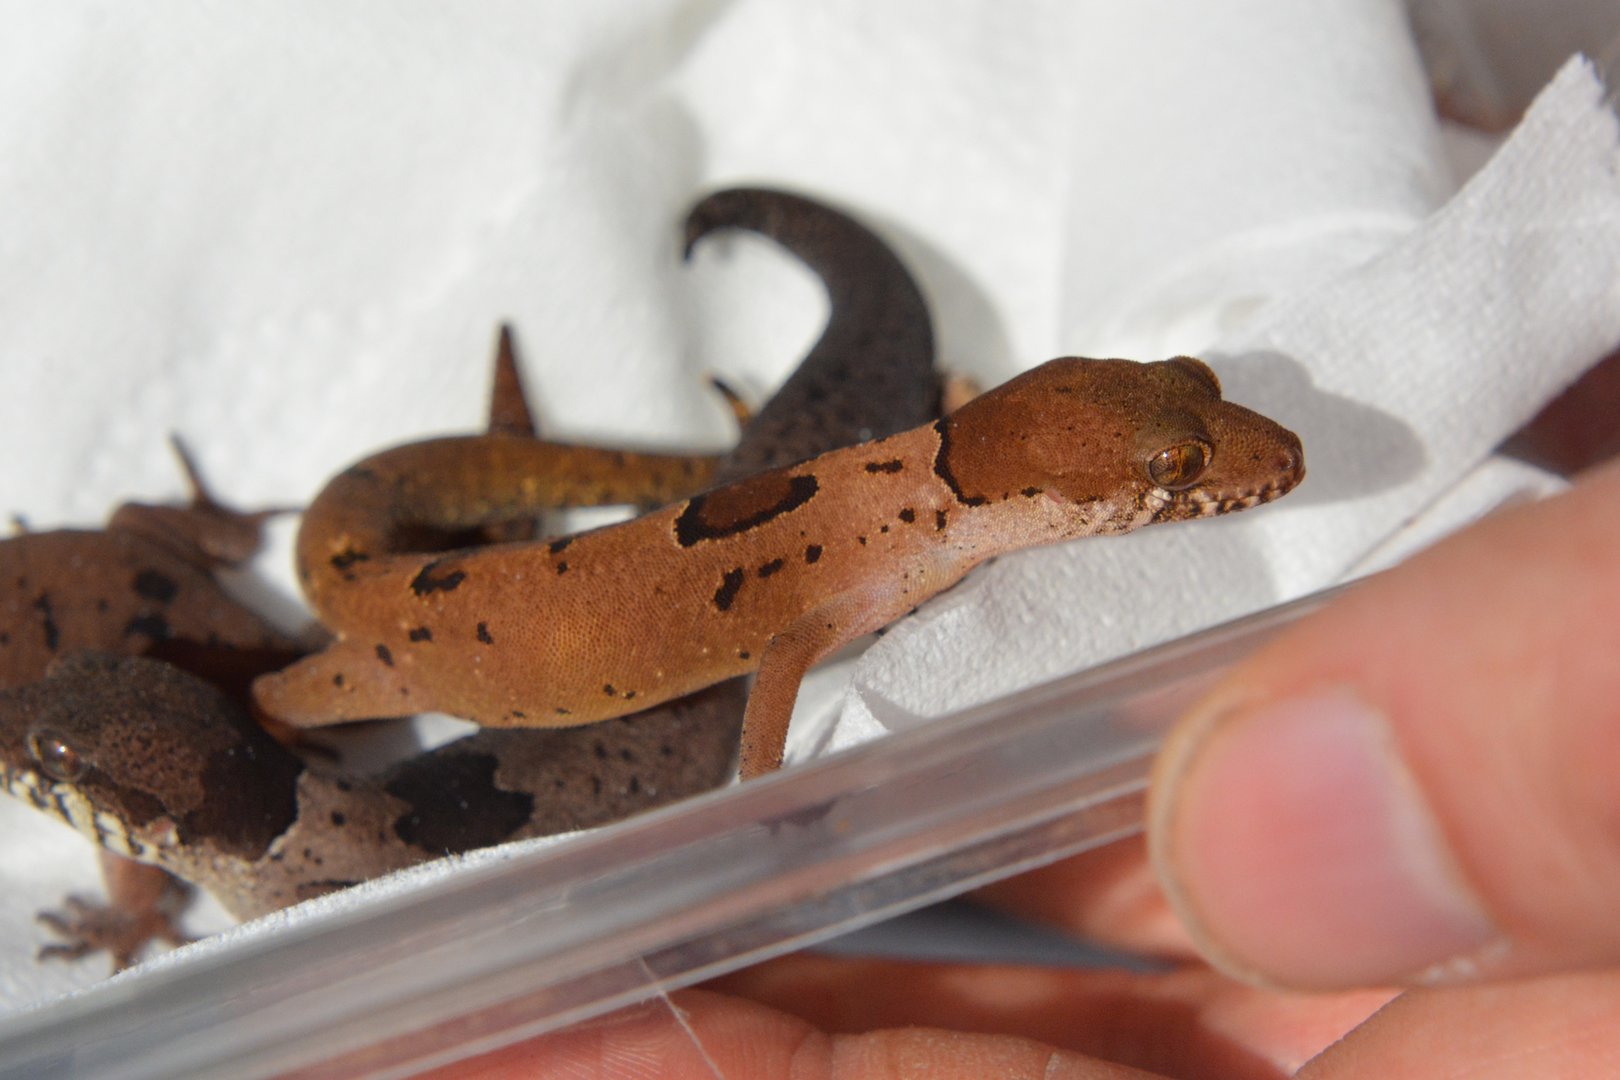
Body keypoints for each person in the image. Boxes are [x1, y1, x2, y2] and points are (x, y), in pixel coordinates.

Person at [430, 423, 1620, 1077]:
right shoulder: (892, 537)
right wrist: (765, 797)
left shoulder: (933, 494)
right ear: (1046, 498)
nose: (1255, 465)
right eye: (1169, 476)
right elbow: (790, 646)